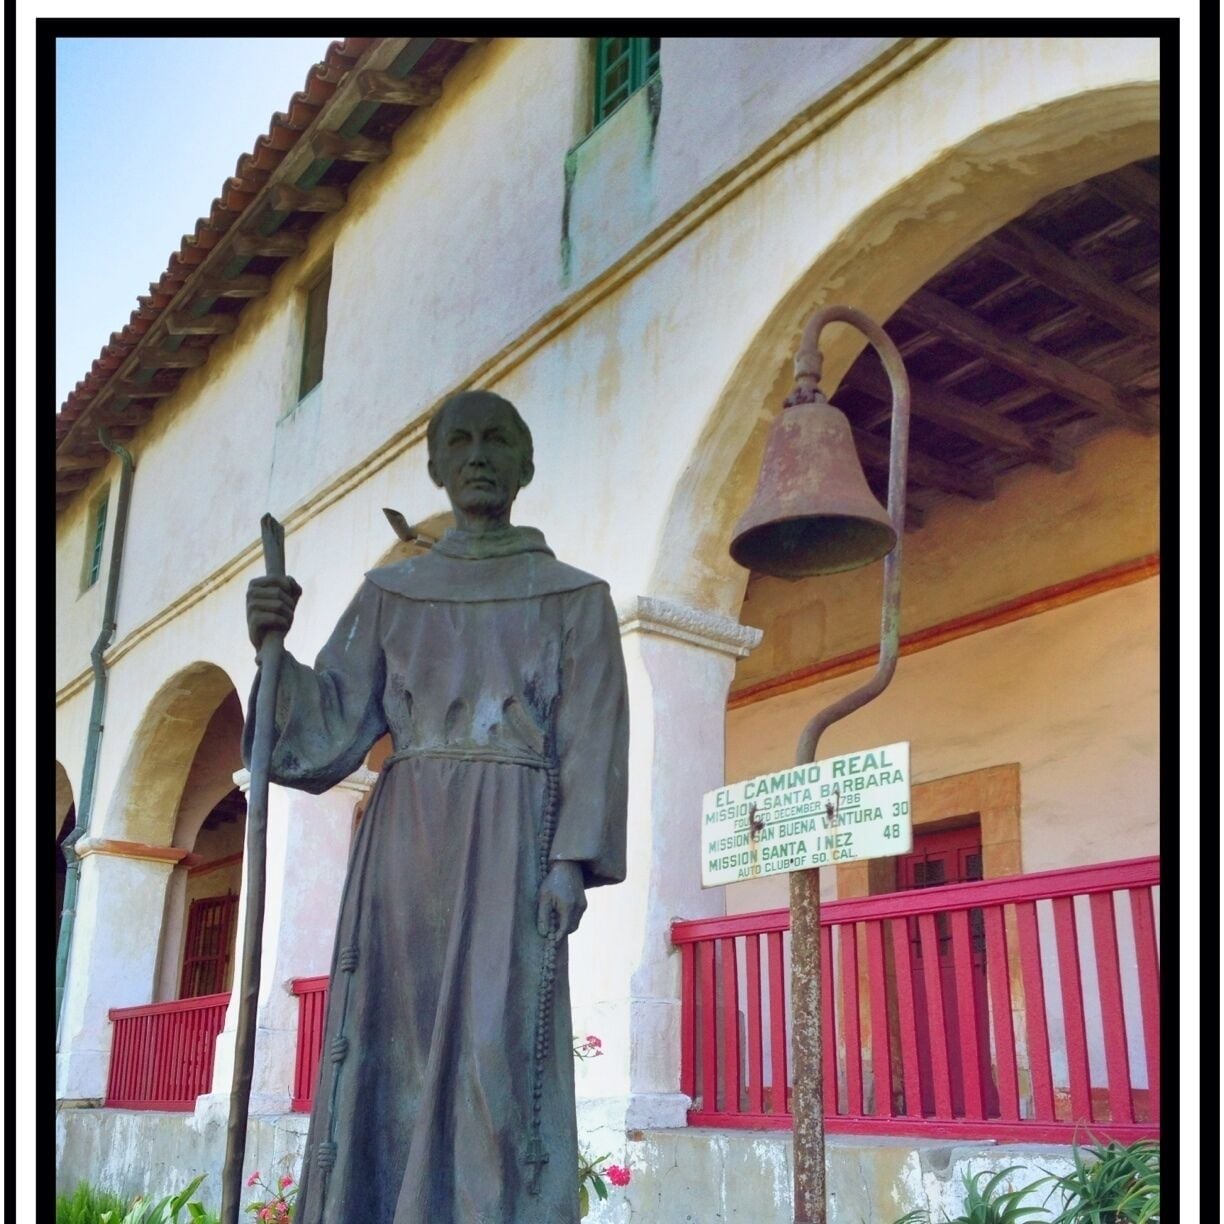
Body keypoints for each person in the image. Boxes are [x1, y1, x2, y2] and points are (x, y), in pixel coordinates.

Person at [245, 389, 629, 1223]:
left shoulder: (575, 598)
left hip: (514, 846)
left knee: (494, 1050)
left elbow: (592, 738)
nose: (480, 454)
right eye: (461, 442)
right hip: (405, 851)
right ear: (437, 467)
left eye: (498, 440)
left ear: (526, 465)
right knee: (396, 1039)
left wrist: (569, 862)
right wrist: (269, 649)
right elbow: (325, 728)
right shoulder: (393, 593)